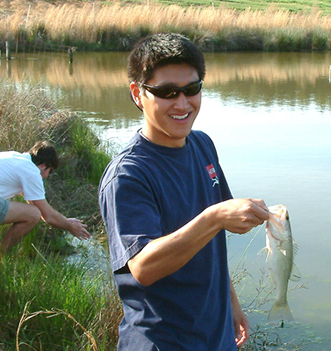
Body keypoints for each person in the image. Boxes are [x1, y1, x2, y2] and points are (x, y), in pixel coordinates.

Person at [98, 33, 270, 350]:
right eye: (166, 92)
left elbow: (211, 243)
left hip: (215, 336)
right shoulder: (128, 175)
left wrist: (231, 303)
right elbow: (143, 268)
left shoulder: (202, 145)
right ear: (138, 94)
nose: (182, 103)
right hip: (162, 342)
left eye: (191, 90)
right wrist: (215, 216)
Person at [0, 141, 91, 267]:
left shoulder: (14, 158)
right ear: (43, 165)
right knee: (33, 215)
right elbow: (46, 215)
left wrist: (65, 221)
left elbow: (34, 203)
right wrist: (70, 226)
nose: (46, 176)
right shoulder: (31, 171)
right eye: (49, 171)